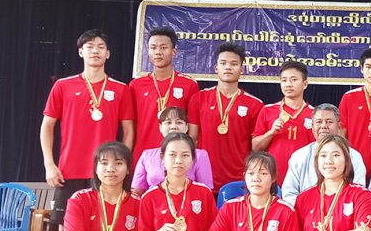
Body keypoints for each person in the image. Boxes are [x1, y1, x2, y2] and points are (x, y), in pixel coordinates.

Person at [40, 30, 135, 231]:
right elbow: (47, 126)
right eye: (90, 46)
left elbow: (129, 130)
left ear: (108, 53)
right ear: (81, 52)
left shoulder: (120, 89)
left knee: (105, 227)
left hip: (105, 172)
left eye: (101, 47)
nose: (95, 51)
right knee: (66, 229)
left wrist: (121, 165)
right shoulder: (63, 86)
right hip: (69, 169)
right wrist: (49, 164)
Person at [188, 42, 263, 192]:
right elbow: (192, 140)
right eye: (223, 63)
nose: (228, 67)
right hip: (204, 178)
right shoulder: (199, 98)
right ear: (216, 68)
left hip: (239, 179)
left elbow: (255, 148)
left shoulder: (255, 104)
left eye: (234, 64)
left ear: (242, 69)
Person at [293, 134, 371, 231]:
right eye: (323, 156)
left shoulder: (360, 194)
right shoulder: (303, 198)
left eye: (336, 155)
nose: (329, 161)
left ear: (347, 160)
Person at [128, 26, 200, 161]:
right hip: (143, 155)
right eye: (153, 47)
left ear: (174, 51)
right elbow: (130, 127)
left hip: (176, 158)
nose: (158, 52)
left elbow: (192, 126)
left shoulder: (189, 85)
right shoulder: (135, 85)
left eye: (163, 47)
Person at [281, 104, 366, 206]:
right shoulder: (299, 156)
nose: (324, 126)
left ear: (339, 126)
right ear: (312, 127)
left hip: (343, 211)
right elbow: (289, 193)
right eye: (319, 122)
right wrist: (307, 211)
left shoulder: (353, 156)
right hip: (305, 212)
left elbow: (359, 191)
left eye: (329, 122)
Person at [251, 59, 315, 183]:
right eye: (284, 80)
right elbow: (255, 147)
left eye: (294, 79)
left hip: (305, 178)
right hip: (273, 177)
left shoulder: (315, 114)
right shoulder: (268, 110)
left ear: (305, 84)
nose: (288, 84)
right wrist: (271, 133)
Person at [338, 48, 371, 183]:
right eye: (368, 67)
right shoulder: (349, 97)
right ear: (361, 69)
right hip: (354, 165)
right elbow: (341, 134)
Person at [132, 107, 213, 195]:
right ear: (160, 127)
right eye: (168, 122)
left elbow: (205, 192)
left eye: (179, 122)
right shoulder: (147, 155)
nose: (173, 127)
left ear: (186, 127)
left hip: (189, 201)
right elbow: (137, 192)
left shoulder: (200, 155)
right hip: (153, 202)